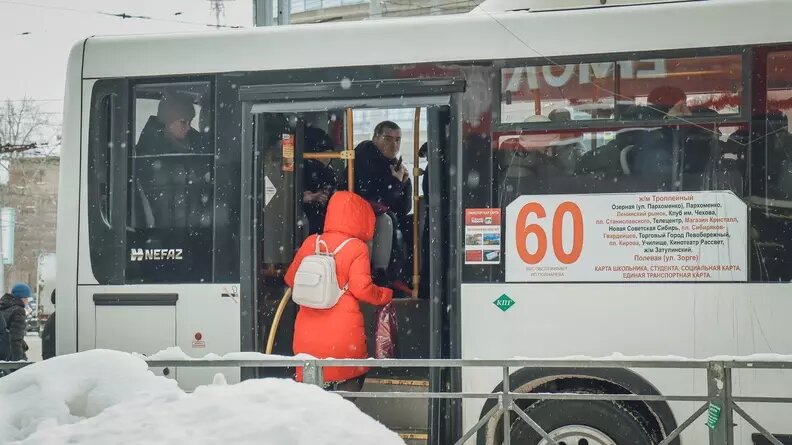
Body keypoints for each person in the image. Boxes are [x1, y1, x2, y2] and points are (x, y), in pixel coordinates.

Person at [284, 191, 393, 392]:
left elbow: (290, 279)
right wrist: (385, 294)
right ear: (362, 218)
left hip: (306, 335)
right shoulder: (356, 248)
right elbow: (362, 290)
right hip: (343, 337)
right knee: (349, 380)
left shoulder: (311, 242)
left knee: (313, 390)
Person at [354, 121, 413, 293]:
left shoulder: (392, 164)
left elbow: (403, 207)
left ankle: (400, 276)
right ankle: (384, 275)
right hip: (363, 215)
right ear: (375, 138)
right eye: (387, 139)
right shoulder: (364, 158)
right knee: (386, 222)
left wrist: (403, 182)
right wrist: (395, 182)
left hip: (384, 216)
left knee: (409, 224)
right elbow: (374, 195)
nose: (393, 144)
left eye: (397, 140)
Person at [301, 126, 339, 235]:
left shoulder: (329, 174)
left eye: (330, 155)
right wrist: (305, 198)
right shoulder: (302, 172)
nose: (328, 158)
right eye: (325, 154)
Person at [0, 283, 32, 362]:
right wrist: (18, 360)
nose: (27, 301)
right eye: (27, 298)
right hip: (11, 354)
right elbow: (16, 337)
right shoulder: (18, 311)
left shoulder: (4, 307)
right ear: (22, 298)